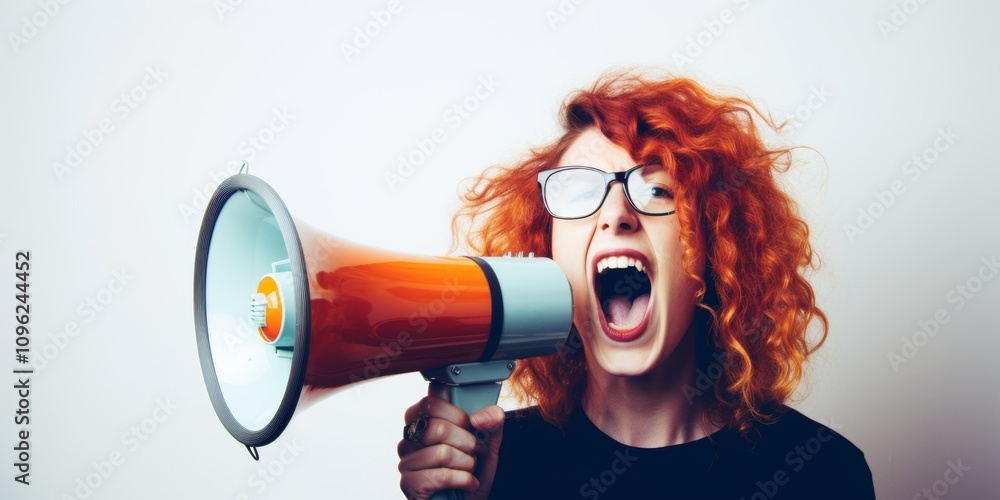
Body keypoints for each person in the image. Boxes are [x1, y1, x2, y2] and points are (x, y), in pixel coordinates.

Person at [396, 71, 876, 499]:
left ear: (713, 244)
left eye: (656, 189)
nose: (616, 215)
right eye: (580, 192)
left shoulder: (821, 471)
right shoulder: (494, 461)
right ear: (548, 248)